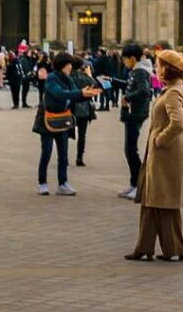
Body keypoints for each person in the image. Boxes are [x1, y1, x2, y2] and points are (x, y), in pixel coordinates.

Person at [126, 49, 183, 261]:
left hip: (165, 154)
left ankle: (174, 248)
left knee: (164, 201)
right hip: (160, 154)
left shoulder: (173, 92)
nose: (156, 69)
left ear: (168, 68)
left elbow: (178, 122)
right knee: (151, 199)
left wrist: (160, 139)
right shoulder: (171, 89)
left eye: (159, 65)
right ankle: (144, 247)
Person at [34, 52, 101, 196]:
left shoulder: (68, 79)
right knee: (46, 152)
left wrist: (87, 95)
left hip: (63, 119)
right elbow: (60, 94)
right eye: (68, 64)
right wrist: (81, 94)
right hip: (48, 120)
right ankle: (42, 182)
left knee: (63, 154)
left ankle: (62, 183)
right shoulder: (52, 78)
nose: (71, 67)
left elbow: (73, 95)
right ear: (62, 65)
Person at [107, 43, 153, 200]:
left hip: (135, 114)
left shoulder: (140, 71)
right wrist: (113, 80)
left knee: (131, 151)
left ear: (133, 58)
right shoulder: (137, 70)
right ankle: (134, 184)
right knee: (130, 150)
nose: (124, 62)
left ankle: (140, 185)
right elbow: (130, 85)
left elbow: (144, 91)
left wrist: (127, 97)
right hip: (134, 113)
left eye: (125, 59)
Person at [72, 59, 98, 167]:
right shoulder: (85, 77)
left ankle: (62, 156)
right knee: (82, 135)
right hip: (84, 109)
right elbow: (96, 87)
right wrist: (89, 75)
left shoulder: (69, 76)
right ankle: (79, 157)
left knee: (63, 134)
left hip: (71, 108)